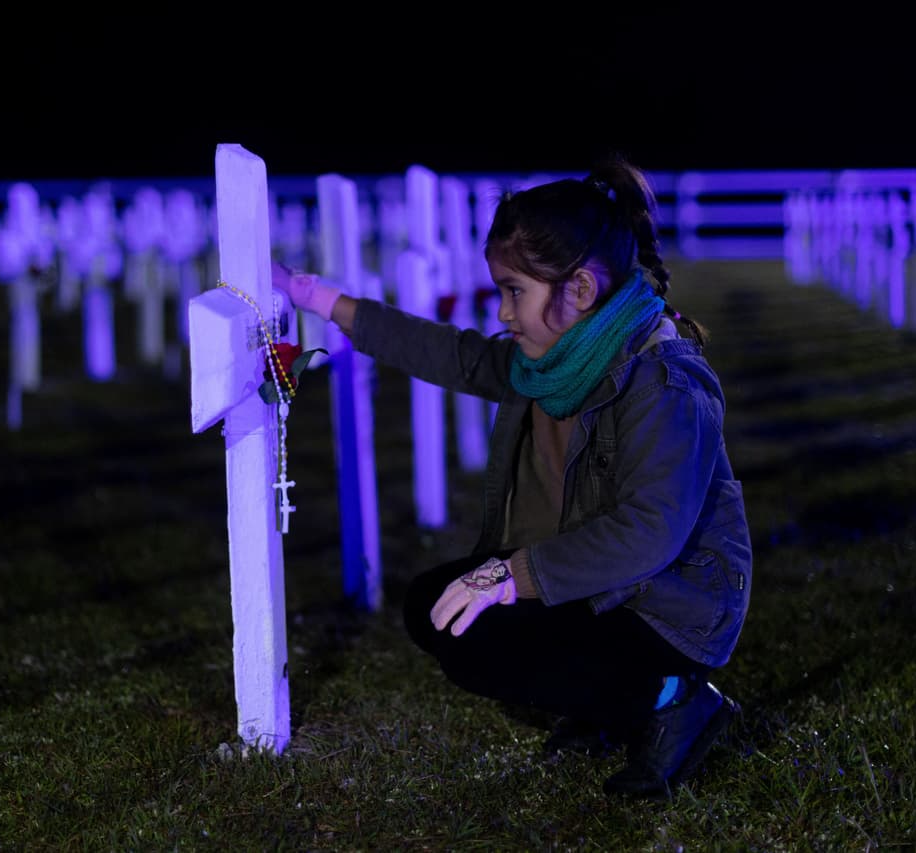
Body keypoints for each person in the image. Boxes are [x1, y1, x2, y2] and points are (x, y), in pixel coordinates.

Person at [272, 154, 752, 800]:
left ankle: (677, 700)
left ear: (579, 290)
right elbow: (453, 355)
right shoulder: (545, 361)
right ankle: (604, 706)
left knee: (478, 632)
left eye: (513, 291)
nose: (501, 312)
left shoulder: (665, 381)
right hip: (593, 588)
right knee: (435, 609)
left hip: (665, 612)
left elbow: (649, 533)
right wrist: (317, 297)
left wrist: (508, 575)